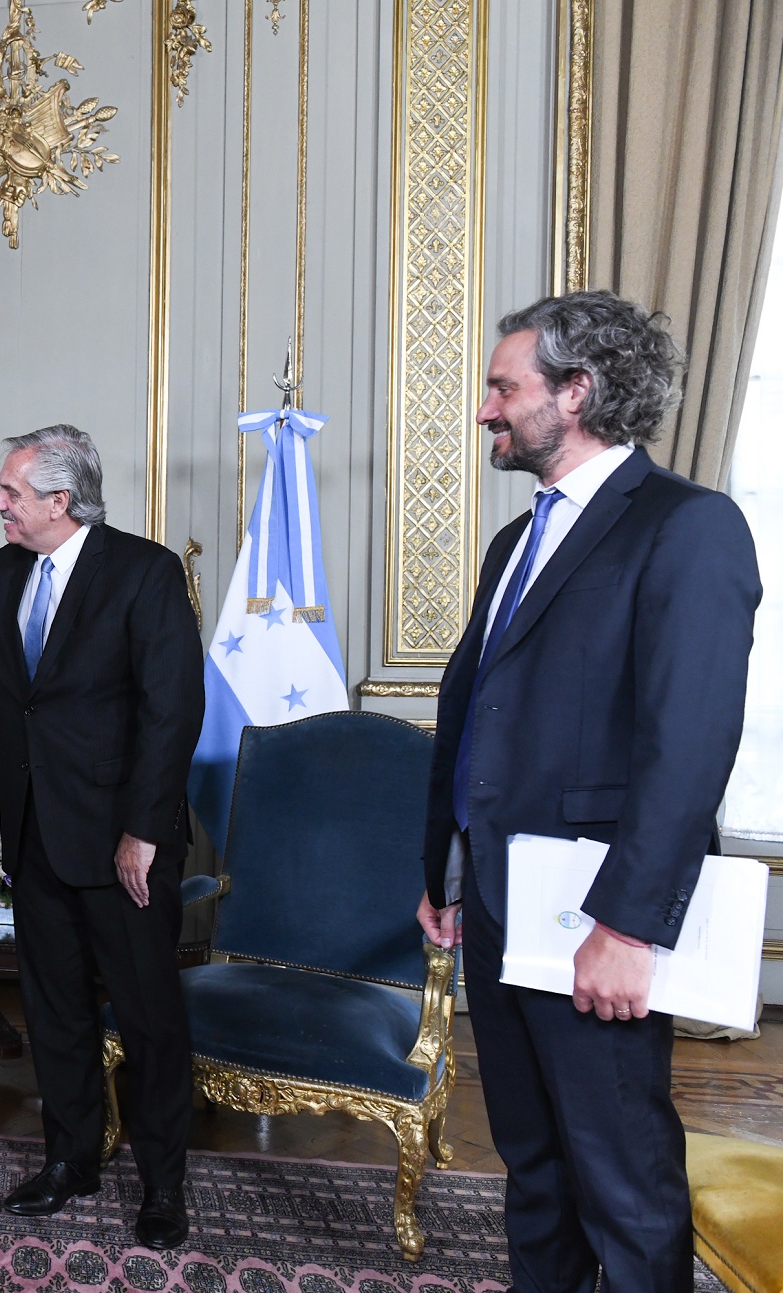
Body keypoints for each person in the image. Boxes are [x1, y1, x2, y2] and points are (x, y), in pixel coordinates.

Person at [416, 291, 760, 1293]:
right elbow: (479, 714)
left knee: (621, 1181)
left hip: (593, 920)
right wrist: (442, 868)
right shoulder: (513, 543)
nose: (485, 409)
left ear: (577, 390)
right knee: (533, 1165)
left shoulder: (687, 528)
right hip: (495, 901)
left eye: (501, 387)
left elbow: (687, 747)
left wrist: (627, 927)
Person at [0, 425, 204, 1248]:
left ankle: (163, 1185)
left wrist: (144, 832)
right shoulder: (9, 570)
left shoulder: (144, 573)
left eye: (11, 491)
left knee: (147, 1020)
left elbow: (173, 712)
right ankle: (71, 1160)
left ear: (60, 500)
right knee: (56, 1011)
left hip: (123, 847)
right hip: (37, 837)